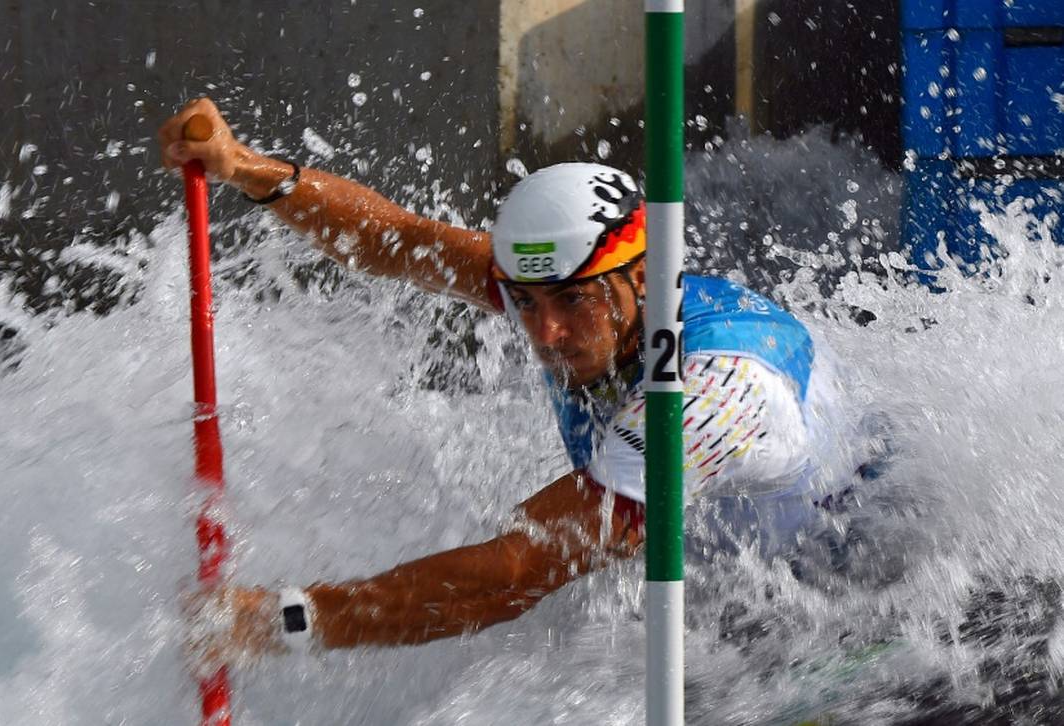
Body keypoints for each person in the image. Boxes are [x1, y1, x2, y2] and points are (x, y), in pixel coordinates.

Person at [158, 98, 854, 661]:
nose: (544, 332)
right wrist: (246, 167)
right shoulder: (559, 279)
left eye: (572, 303)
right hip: (723, 550)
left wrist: (283, 621)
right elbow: (391, 238)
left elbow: (518, 572)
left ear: (644, 278)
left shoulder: (708, 393)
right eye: (524, 301)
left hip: (845, 566)